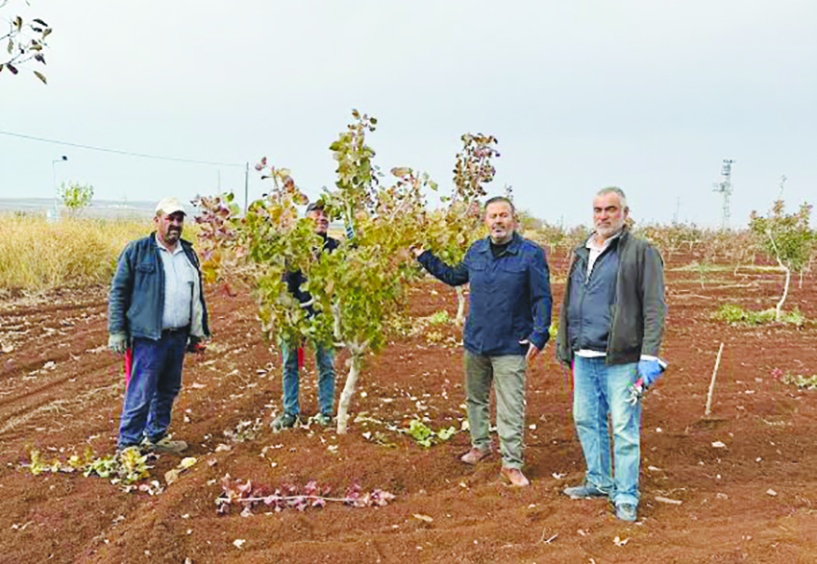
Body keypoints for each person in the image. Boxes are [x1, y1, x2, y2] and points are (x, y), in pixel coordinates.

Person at [412, 196, 552, 487]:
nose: (498, 221)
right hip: (476, 341)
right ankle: (480, 445)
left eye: (503, 215)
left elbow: (542, 297)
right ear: (485, 221)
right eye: (492, 216)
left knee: (510, 405)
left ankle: (511, 463)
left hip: (512, 344)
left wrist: (540, 334)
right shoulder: (476, 251)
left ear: (514, 220)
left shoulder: (530, 254)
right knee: (475, 399)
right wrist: (425, 256)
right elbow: (453, 276)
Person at [556, 186, 667, 522]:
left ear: (625, 213)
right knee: (586, 420)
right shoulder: (581, 251)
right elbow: (570, 300)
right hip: (584, 355)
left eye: (610, 210)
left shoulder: (640, 251)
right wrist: (566, 343)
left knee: (623, 427)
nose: (603, 216)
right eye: (597, 210)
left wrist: (649, 354)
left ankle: (627, 493)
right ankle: (600, 481)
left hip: (620, 356)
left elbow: (653, 306)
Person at [108, 197, 209, 454]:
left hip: (178, 336)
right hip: (149, 336)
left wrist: (196, 333)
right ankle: (128, 444)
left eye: (179, 219)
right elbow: (119, 292)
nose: (175, 224)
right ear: (157, 221)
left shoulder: (188, 253)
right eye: (169, 218)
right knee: (141, 390)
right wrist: (117, 330)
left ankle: (156, 436)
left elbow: (195, 295)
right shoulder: (138, 251)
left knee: (168, 389)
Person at [271, 201, 339, 431]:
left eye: (325, 216)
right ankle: (290, 412)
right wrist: (292, 318)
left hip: (324, 318)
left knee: (326, 365)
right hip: (295, 317)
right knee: (290, 364)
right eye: (317, 215)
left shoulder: (335, 248)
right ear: (306, 221)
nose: (322, 218)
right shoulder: (294, 251)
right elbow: (284, 286)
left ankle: (326, 413)